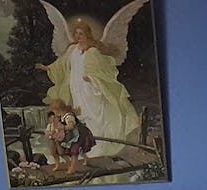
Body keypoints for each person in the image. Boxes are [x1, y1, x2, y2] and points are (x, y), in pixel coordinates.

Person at [37, 14, 143, 158]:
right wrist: (47, 68)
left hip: (90, 88)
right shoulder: (72, 49)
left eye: (81, 33)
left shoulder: (93, 50)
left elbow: (105, 68)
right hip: (76, 87)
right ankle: (84, 146)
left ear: (87, 34)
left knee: (95, 115)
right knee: (81, 116)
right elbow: (61, 64)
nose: (78, 36)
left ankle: (98, 146)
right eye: (76, 33)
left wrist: (92, 78)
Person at [42, 97, 95, 174]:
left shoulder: (68, 116)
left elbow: (71, 126)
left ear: (58, 110)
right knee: (78, 149)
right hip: (71, 135)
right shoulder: (62, 116)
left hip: (78, 135)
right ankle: (86, 158)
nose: (54, 114)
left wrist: (63, 127)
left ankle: (73, 168)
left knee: (74, 151)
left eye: (54, 112)